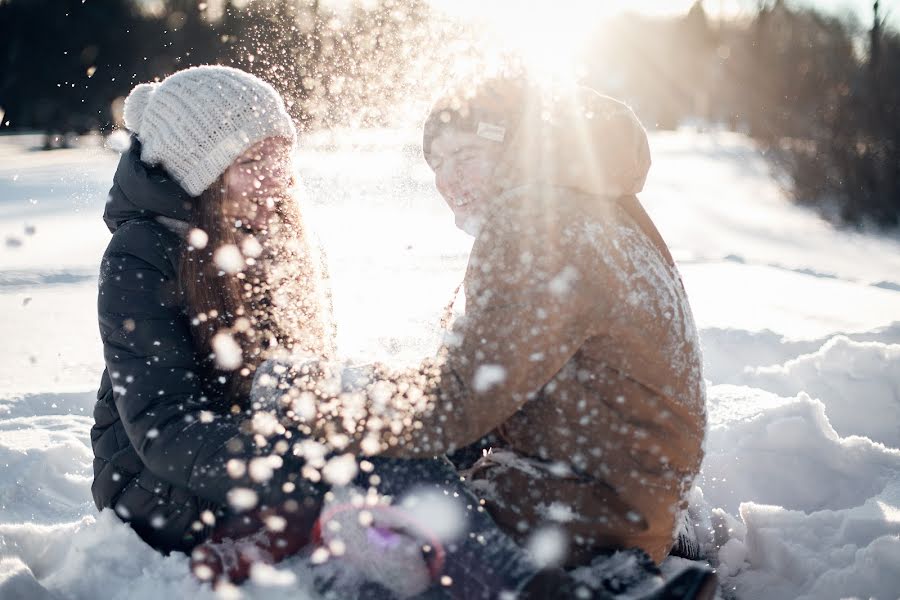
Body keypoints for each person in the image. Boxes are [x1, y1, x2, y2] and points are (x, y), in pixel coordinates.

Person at [92, 65, 665, 600]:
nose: (275, 179)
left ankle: (544, 555)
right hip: (158, 488)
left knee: (412, 429)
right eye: (250, 162)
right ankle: (523, 587)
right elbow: (166, 432)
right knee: (382, 453)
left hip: (257, 445)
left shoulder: (271, 234)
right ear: (201, 173)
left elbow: (302, 372)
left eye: (280, 156)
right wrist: (312, 460)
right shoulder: (141, 255)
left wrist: (366, 405)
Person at [263, 77, 715, 598]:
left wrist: (317, 399)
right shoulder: (592, 205)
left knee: (380, 473)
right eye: (436, 164)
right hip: (630, 491)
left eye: (466, 154)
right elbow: (486, 386)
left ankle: (550, 590)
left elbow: (452, 404)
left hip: (594, 509)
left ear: (517, 146)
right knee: (405, 445)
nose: (448, 180)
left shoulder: (538, 223)